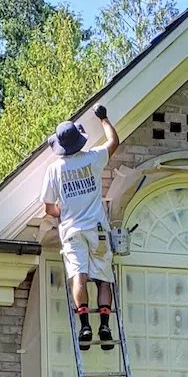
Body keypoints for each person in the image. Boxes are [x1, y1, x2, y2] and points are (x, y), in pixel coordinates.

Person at [41, 104, 120, 351]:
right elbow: (113, 142)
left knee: (79, 277)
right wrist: (104, 118)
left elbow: (48, 208)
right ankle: (105, 325)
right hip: (97, 229)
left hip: (73, 232)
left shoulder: (54, 170)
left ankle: (85, 325)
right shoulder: (93, 158)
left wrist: (62, 211)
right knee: (103, 279)